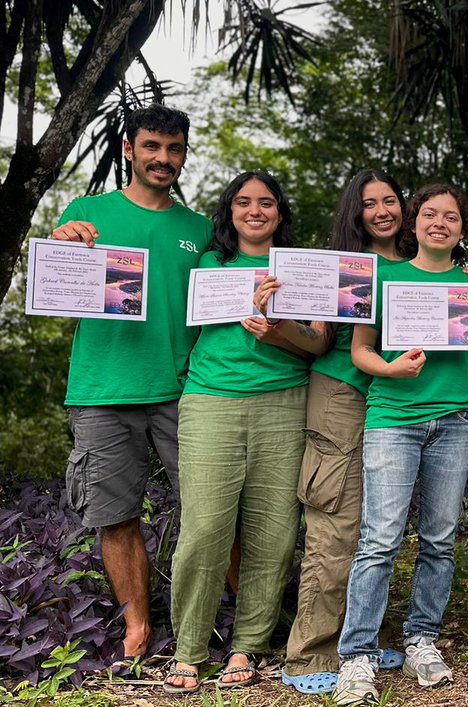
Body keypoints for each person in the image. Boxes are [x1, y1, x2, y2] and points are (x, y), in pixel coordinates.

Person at [332, 184, 468, 705]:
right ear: (413, 224)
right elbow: (360, 351)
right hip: (393, 418)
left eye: (450, 216)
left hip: (456, 420)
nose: (440, 223)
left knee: (439, 538)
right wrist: (390, 368)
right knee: (380, 540)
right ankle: (357, 655)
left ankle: (422, 639)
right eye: (429, 214)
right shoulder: (383, 278)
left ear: (461, 228)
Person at [50, 104, 212, 667]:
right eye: (151, 147)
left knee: (211, 507)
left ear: (184, 154)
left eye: (173, 149)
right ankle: (138, 627)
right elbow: (53, 282)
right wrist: (62, 241)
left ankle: (234, 624)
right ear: (130, 149)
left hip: (184, 389)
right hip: (102, 388)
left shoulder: (200, 229)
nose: (162, 158)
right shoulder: (87, 215)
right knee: (115, 513)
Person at [257, 170, 408, 694]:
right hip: (342, 394)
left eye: (391, 200)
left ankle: (359, 641)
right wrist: (278, 327)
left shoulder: (418, 266)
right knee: (335, 522)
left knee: (378, 528)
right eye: (371, 204)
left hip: (399, 403)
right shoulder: (337, 266)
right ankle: (310, 654)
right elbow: (318, 342)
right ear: (356, 213)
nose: (383, 211)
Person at [164, 171, 314, 694]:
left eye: (267, 202)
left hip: (285, 403)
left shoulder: (299, 270)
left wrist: (279, 330)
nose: (255, 211)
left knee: (272, 534)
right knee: (204, 530)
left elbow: (317, 347)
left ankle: (247, 646)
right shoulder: (206, 264)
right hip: (211, 402)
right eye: (244, 202)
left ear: (280, 212)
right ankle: (188, 648)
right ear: (228, 212)